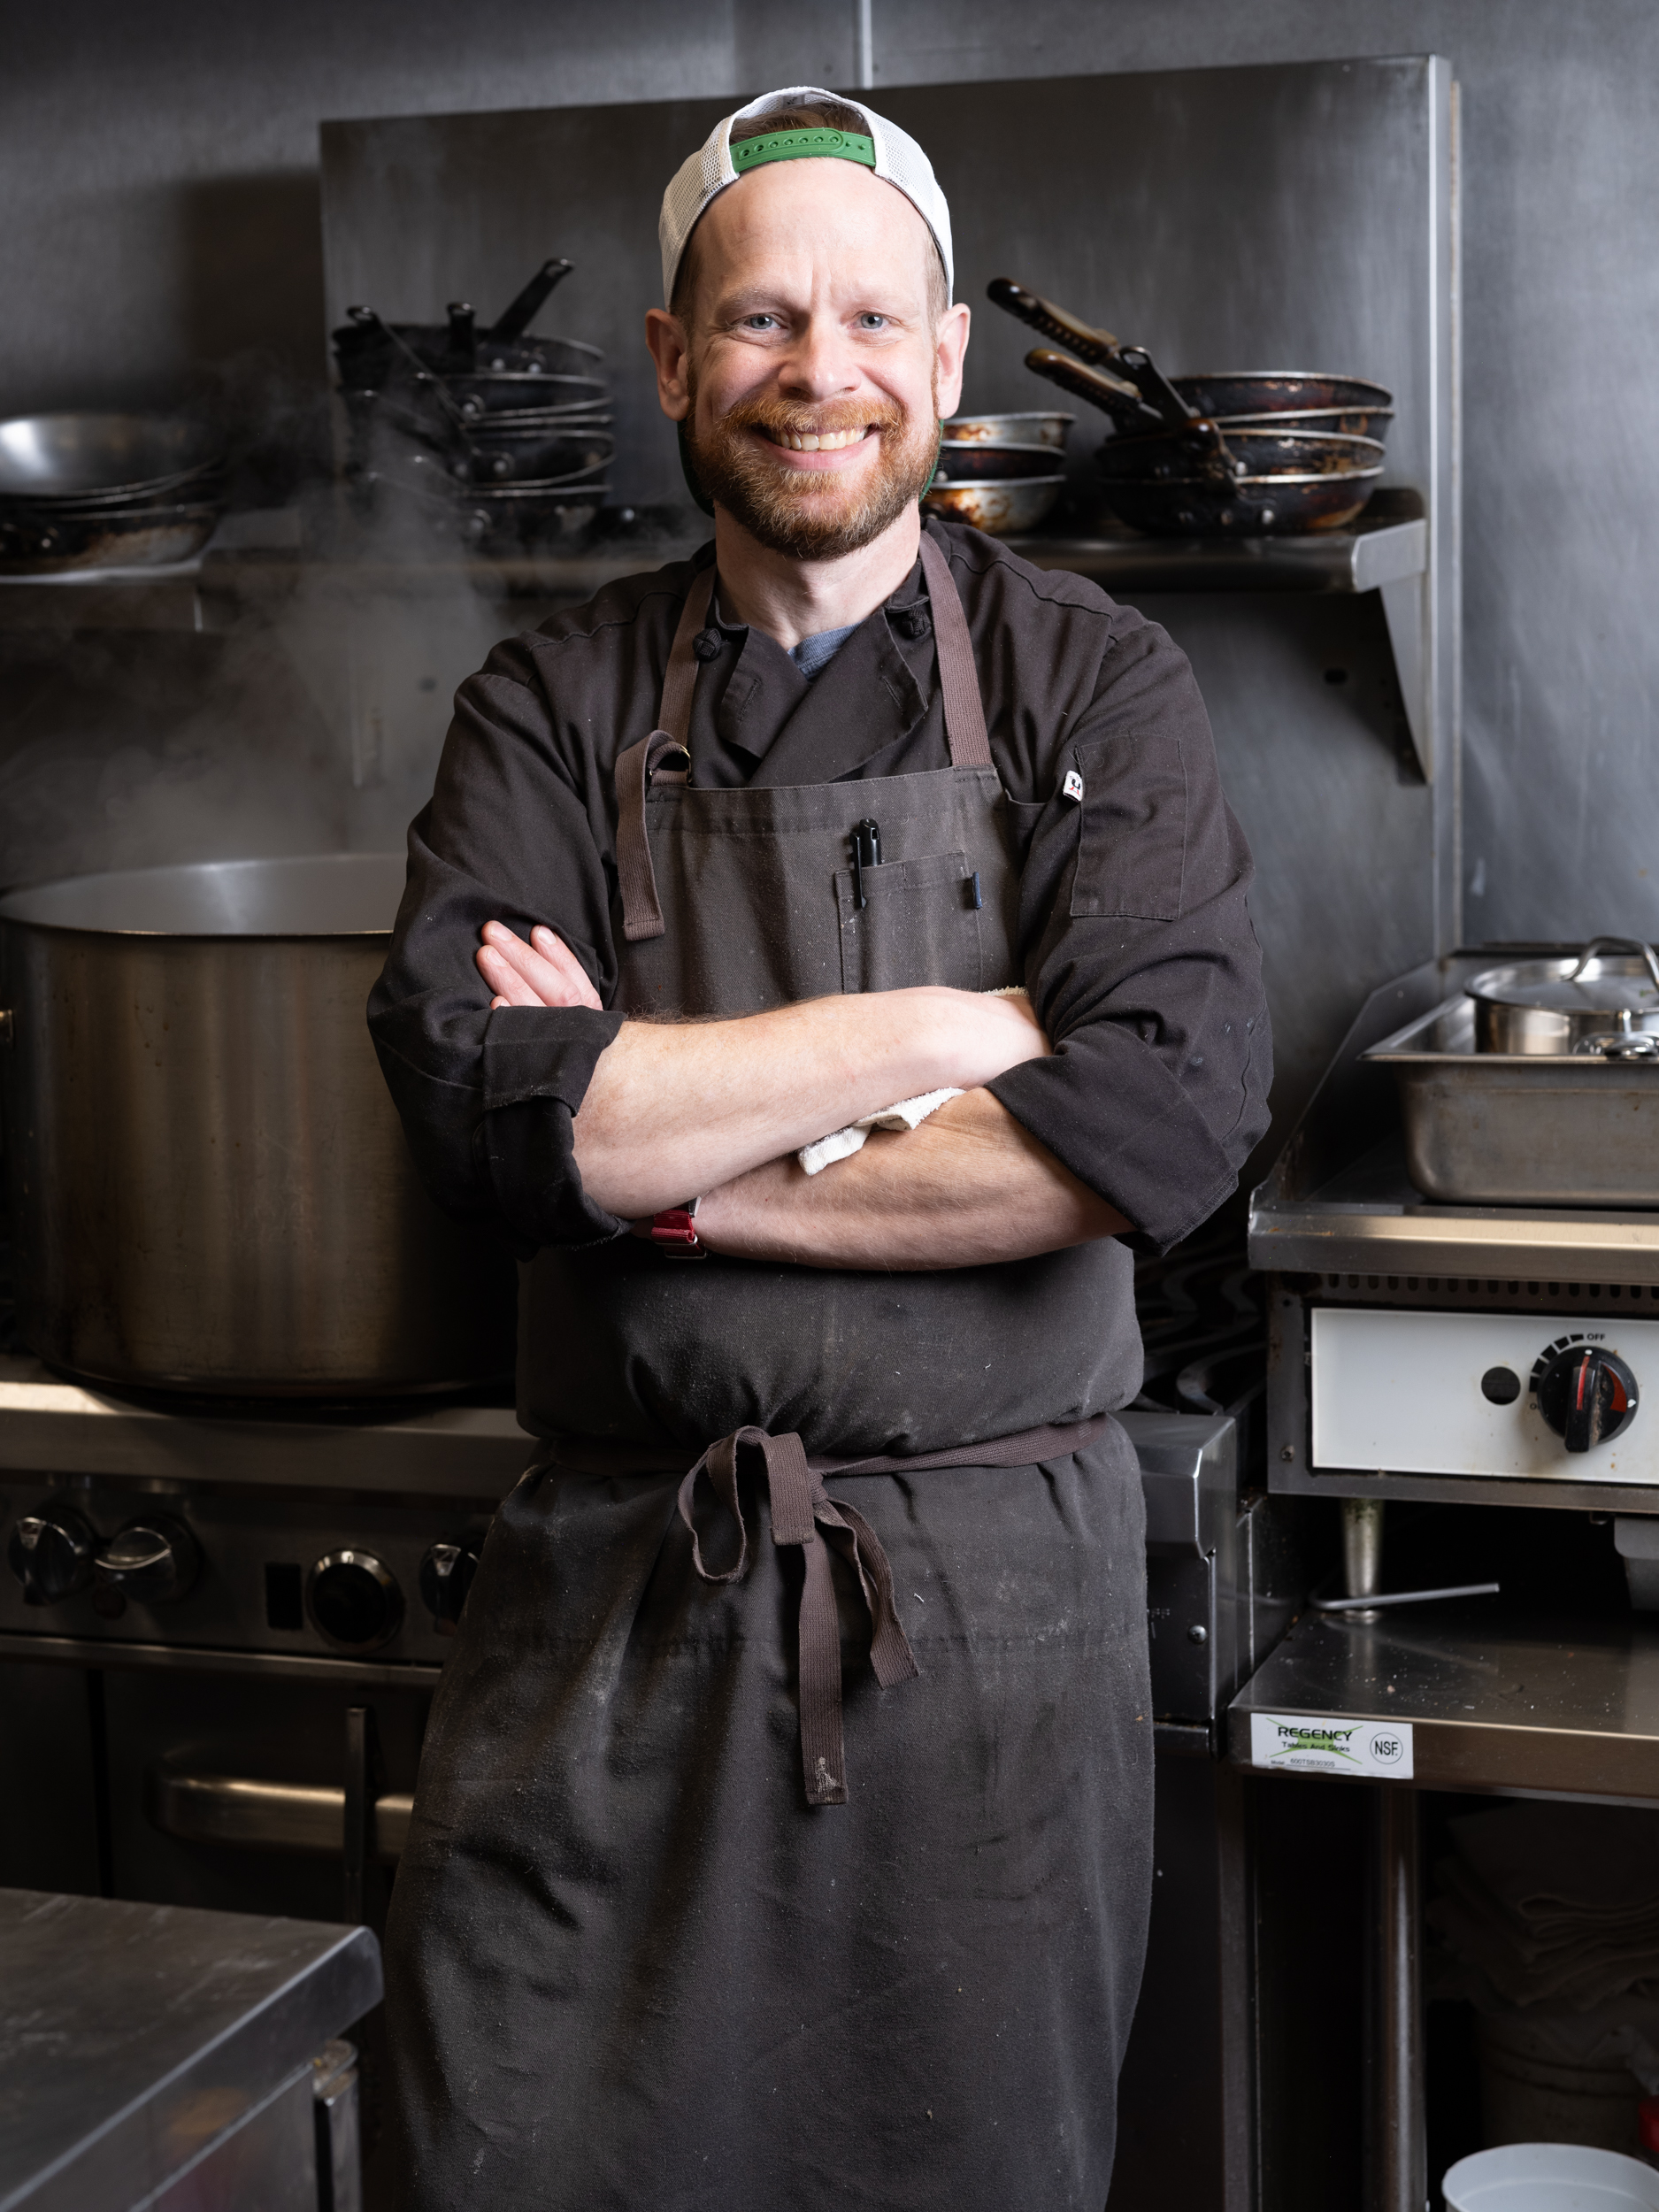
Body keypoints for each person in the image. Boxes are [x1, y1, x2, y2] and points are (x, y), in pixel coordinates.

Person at [371, 84, 1271, 2212]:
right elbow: (483, 1105)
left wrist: (664, 1168)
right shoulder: (546, 703)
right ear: (675, 359)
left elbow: (1152, 1120)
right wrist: (957, 1032)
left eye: (871, 319)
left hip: (985, 1632)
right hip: (612, 1613)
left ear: (943, 359)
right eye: (760, 319)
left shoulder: (1089, 686)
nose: (818, 371)